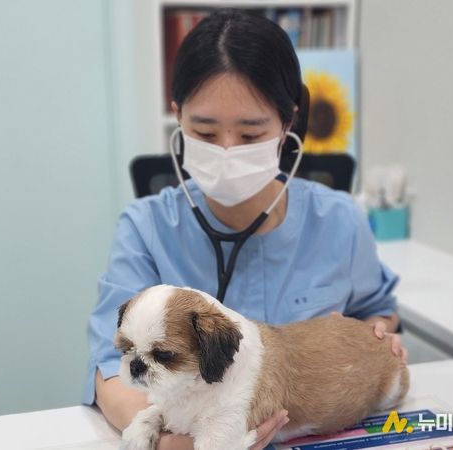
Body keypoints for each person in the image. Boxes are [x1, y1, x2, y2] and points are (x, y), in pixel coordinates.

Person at [84, 8, 407, 450]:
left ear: (288, 123)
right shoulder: (146, 226)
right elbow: (111, 368)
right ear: (178, 118)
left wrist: (373, 338)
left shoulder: (340, 219)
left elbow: (378, 312)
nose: (227, 151)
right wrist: (172, 446)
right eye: (205, 132)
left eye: (251, 135)